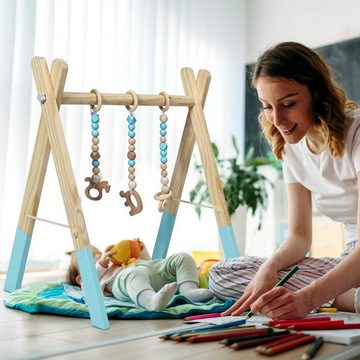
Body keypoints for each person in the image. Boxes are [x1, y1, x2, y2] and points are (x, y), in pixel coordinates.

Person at [209, 41, 360, 319]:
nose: (277, 119)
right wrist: (269, 268)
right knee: (222, 274)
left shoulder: (356, 133)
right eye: (267, 106)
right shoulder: (290, 147)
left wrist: (307, 298)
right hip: (350, 260)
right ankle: (345, 297)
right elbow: (299, 236)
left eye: (288, 104)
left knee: (294, 289)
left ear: (317, 94)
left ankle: (338, 295)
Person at [66, 238, 214, 311]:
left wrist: (141, 250)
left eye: (98, 254)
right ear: (80, 279)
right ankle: (151, 301)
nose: (98, 258)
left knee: (182, 257)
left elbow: (148, 262)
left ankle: (188, 290)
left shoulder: (120, 262)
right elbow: (89, 290)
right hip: (124, 281)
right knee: (133, 274)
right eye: (92, 261)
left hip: (147, 269)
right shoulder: (93, 281)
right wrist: (101, 265)